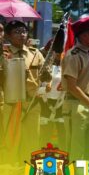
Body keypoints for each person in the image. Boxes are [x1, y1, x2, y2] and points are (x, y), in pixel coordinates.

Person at [0, 20, 48, 162]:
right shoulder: (4, 54)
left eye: (24, 31)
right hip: (11, 103)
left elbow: (47, 74)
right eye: (17, 32)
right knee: (11, 139)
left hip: (32, 102)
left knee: (32, 139)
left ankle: (28, 168)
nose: (22, 34)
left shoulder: (35, 54)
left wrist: (46, 78)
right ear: (8, 36)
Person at [61, 16, 89, 160]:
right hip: (76, 105)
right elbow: (72, 86)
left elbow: (85, 80)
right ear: (84, 35)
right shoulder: (72, 55)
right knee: (76, 148)